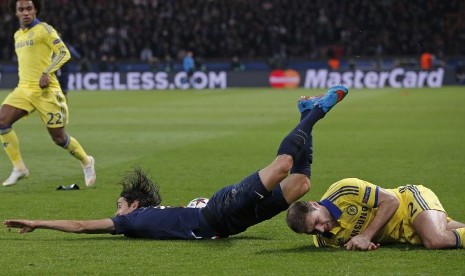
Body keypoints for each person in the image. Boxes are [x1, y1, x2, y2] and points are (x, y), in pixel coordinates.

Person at [3, 86, 349, 239]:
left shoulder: (133, 220)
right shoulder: (138, 220)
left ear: (134, 205)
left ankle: (316, 111)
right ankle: (307, 112)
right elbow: (82, 226)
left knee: (282, 167)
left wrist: (38, 221)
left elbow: (82, 226)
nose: (115, 213)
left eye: (119, 205)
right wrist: (38, 222)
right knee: (300, 185)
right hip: (235, 225)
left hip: (220, 212)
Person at [0, 0, 96, 187]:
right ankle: (19, 167)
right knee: (2, 121)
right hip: (23, 89)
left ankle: (86, 160)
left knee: (59, 138)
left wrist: (47, 71)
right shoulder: (17, 35)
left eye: (29, 8)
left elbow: (64, 53)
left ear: (36, 10)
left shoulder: (45, 29)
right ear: (16, 12)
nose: (26, 12)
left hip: (46, 91)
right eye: (21, 9)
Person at [286, 178, 465, 250]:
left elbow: (392, 201)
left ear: (314, 204)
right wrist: (365, 243)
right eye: (312, 231)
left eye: (317, 221)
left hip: (407, 202)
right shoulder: (324, 240)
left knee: (436, 240)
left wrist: (366, 236)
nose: (321, 228)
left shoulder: (343, 190)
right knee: (449, 232)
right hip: (403, 234)